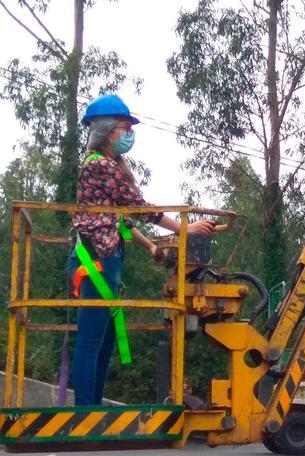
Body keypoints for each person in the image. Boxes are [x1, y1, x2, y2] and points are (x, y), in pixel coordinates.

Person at [69, 94, 215, 405]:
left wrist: (150, 246)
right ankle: (83, 413)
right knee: (91, 340)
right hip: (94, 260)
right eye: (125, 128)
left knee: (104, 341)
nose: (129, 134)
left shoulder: (109, 166)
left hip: (105, 259)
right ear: (107, 131)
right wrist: (185, 228)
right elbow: (138, 208)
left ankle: (92, 409)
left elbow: (122, 220)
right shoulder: (100, 165)